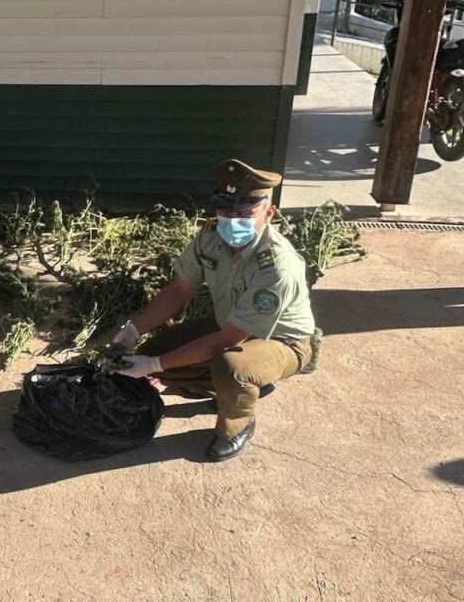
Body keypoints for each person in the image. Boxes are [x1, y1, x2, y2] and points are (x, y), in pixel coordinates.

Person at [111, 159, 319, 461]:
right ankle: (246, 383)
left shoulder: (276, 267)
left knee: (230, 368)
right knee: (151, 350)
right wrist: (133, 330)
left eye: (246, 209)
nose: (233, 218)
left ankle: (237, 425)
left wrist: (156, 364)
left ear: (269, 213)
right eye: (226, 208)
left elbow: (229, 339)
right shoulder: (209, 239)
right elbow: (180, 290)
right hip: (232, 325)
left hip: (284, 341)